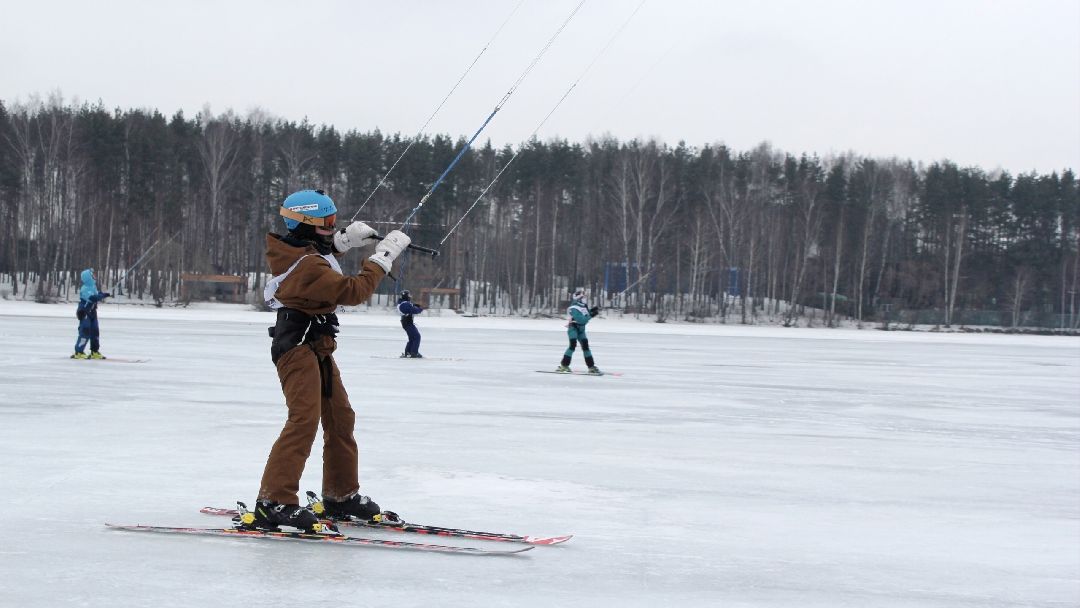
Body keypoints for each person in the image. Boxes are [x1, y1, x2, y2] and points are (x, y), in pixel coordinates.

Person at [254, 188, 410, 533]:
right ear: (305, 223)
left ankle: (340, 496)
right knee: (304, 420)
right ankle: (273, 501)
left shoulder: (296, 248)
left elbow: (317, 252)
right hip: (296, 347)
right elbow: (351, 291)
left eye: (335, 221)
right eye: (326, 222)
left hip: (317, 344)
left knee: (340, 418)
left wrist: (343, 242)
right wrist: (381, 258)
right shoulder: (308, 266)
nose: (332, 226)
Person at [556, 288, 601, 374]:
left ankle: (591, 367)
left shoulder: (584, 306)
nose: (585, 299)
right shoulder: (573, 308)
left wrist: (593, 311)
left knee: (586, 347)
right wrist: (591, 315)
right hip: (573, 329)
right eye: (583, 297)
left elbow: (586, 315)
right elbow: (581, 320)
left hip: (581, 330)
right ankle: (564, 366)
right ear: (578, 298)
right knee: (572, 345)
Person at [71, 268, 111, 359]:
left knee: (95, 331)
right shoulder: (85, 288)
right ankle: (79, 352)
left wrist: (103, 294)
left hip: (93, 311)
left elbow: (96, 294)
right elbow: (92, 298)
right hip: (85, 311)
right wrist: (101, 296)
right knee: (85, 331)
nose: (95, 276)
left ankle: (94, 351)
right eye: (93, 275)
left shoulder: (93, 287)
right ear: (88, 277)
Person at [397, 290, 424, 358]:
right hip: (408, 323)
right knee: (417, 337)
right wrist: (419, 309)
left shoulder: (403, 303)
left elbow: (410, 307)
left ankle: (408, 352)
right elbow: (412, 310)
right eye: (408, 295)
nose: (410, 297)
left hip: (407, 322)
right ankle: (414, 352)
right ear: (405, 296)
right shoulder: (404, 304)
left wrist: (414, 305)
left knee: (412, 338)